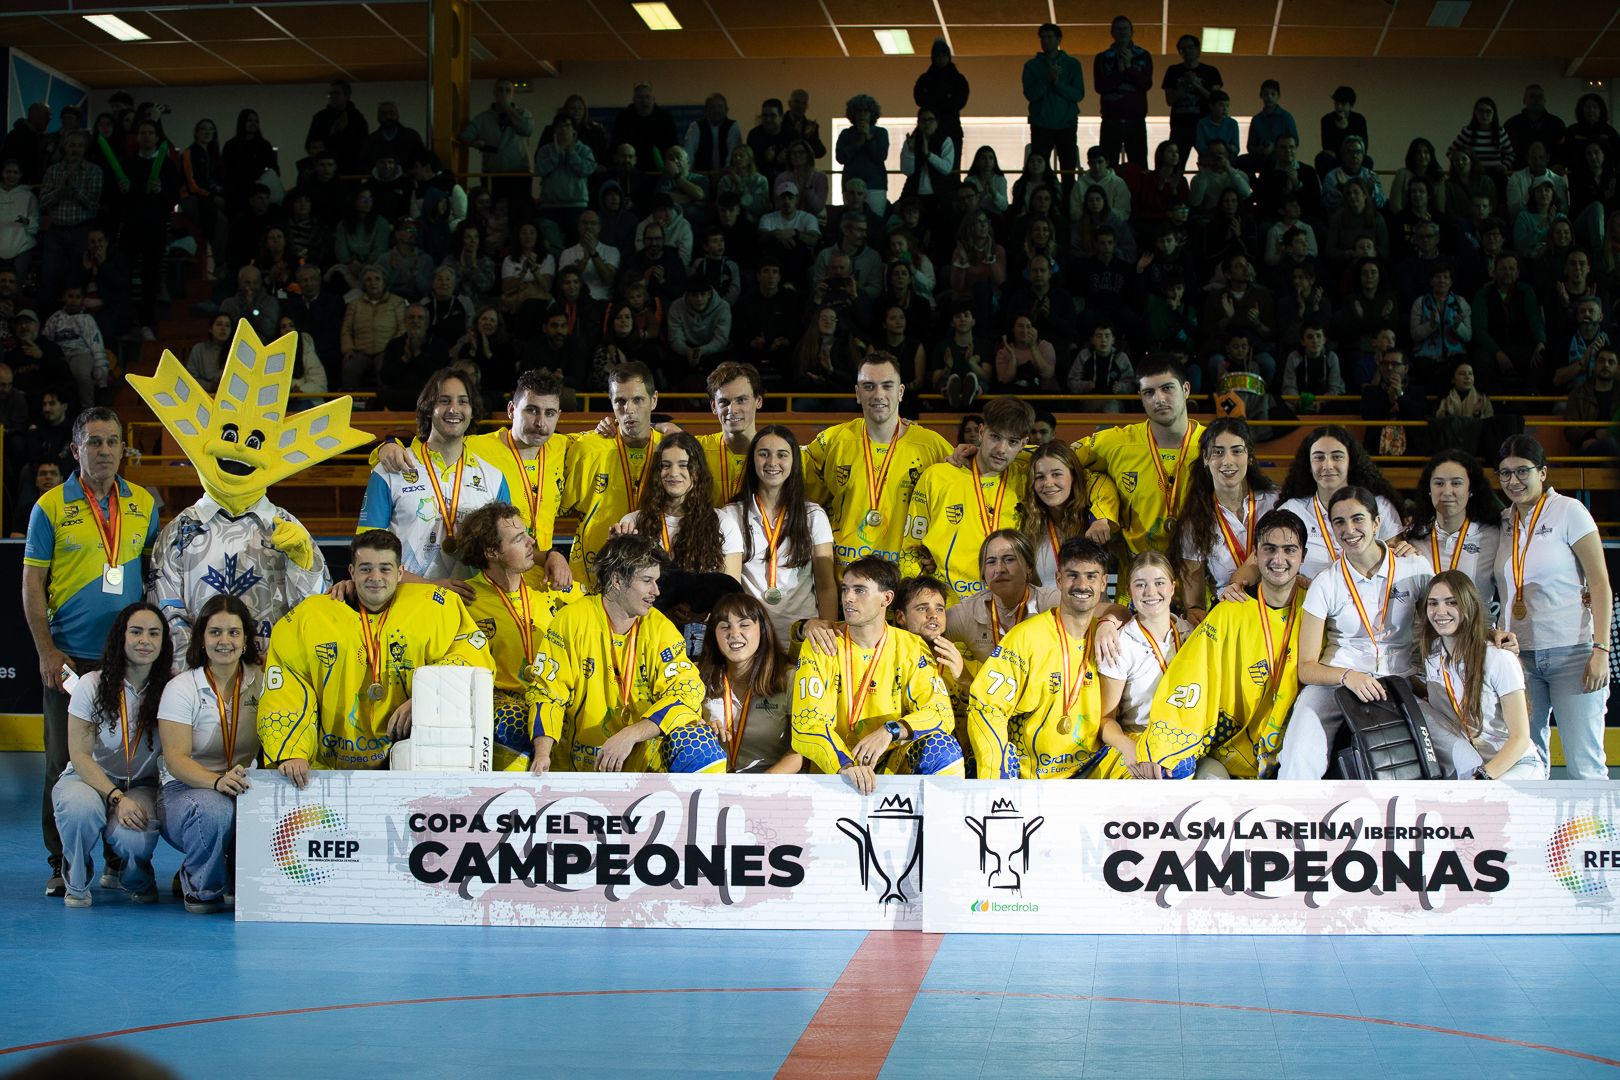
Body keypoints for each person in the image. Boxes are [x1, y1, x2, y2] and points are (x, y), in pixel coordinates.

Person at [24, 409, 157, 899]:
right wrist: (45, 649)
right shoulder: (50, 507)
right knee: (63, 760)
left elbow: (150, 580)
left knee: (123, 760)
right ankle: (60, 863)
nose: (104, 451)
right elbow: (32, 583)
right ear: (75, 449)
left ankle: (118, 860)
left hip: (127, 662)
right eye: (94, 442)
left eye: (112, 442)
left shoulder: (144, 503)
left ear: (124, 449)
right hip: (70, 661)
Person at [258, 529, 493, 783]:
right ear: (351, 571)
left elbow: (471, 657)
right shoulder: (309, 618)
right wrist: (293, 751)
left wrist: (428, 696)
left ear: (401, 572)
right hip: (328, 772)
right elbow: (287, 685)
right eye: (366, 568)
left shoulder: (437, 608)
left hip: (416, 767)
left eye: (385, 569)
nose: (376, 578)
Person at [1126, 509, 1310, 779]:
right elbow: (1192, 676)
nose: (1278, 559)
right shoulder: (1229, 610)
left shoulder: (1317, 607)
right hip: (1230, 749)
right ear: (1256, 555)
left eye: (1289, 550)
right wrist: (1166, 748)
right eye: (1269, 549)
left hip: (1294, 743)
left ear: (1302, 556)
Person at [530, 533, 726, 773]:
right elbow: (547, 692)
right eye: (647, 580)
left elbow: (687, 692)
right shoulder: (571, 619)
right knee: (512, 722)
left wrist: (631, 734)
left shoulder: (660, 627)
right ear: (617, 580)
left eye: (656, 581)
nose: (656, 591)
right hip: (576, 769)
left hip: (643, 772)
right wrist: (541, 754)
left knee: (699, 743)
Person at [1277, 487, 1435, 780]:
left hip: (1398, 681)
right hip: (1336, 683)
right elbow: (1307, 668)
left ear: (1377, 523)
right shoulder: (1326, 582)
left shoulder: (1414, 567)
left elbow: (1446, 622)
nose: (1348, 530)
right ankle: (1293, 821)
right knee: (1299, 755)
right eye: (1339, 522)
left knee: (1458, 751)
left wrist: (1489, 637)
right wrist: (1348, 675)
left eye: (1357, 519)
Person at [1492, 435, 1612, 779]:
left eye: (1522, 471)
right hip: (1519, 657)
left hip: (1573, 654)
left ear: (1542, 472)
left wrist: (1600, 649)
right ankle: (1537, 834)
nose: (1513, 481)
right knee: (1529, 761)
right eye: (1505, 473)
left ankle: (1593, 836)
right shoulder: (1504, 521)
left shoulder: (1570, 512)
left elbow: (1600, 583)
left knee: (1584, 763)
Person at [790, 555, 961, 793]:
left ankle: (939, 828)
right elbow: (806, 724)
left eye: (860, 590)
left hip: (892, 767)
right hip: (837, 772)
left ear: (886, 598)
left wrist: (890, 731)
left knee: (944, 748)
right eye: (845, 589)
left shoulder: (912, 646)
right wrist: (846, 765)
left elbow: (941, 713)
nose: (848, 598)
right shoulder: (822, 643)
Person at [965, 537, 1121, 779]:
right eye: (1072, 575)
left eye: (1091, 576)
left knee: (1149, 762)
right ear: (1058, 580)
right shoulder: (1025, 638)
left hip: (1091, 769)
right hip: (1031, 776)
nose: (1082, 584)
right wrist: (995, 769)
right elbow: (986, 706)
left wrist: (1111, 621)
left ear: (1103, 583)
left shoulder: (1110, 640)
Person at [52, 602, 172, 907]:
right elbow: (79, 755)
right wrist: (117, 797)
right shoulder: (91, 685)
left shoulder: (173, 687)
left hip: (142, 784)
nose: (145, 640)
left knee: (135, 834)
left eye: (153, 633)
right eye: (136, 632)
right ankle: (76, 875)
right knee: (80, 810)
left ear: (163, 642)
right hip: (88, 778)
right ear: (121, 637)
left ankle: (133, 873)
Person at [450, 502, 579, 773]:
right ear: (492, 552)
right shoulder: (465, 600)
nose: (532, 541)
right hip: (505, 710)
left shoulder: (550, 585)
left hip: (556, 702)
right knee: (517, 720)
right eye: (519, 538)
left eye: (527, 533)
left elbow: (606, 607)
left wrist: (555, 555)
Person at [155, 595, 261, 913]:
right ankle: (203, 887)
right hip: (187, 790)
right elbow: (175, 759)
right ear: (202, 639)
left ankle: (239, 878)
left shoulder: (266, 680)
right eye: (215, 632)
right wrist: (217, 783)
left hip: (244, 785)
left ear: (246, 641)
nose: (224, 641)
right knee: (215, 810)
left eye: (233, 632)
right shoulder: (182, 687)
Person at [357, 367, 509, 587]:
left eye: (463, 401)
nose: (454, 409)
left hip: (470, 605)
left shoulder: (494, 479)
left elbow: (506, 550)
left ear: (473, 410)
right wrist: (432, 588)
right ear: (429, 408)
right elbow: (367, 552)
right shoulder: (390, 470)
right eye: (444, 401)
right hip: (405, 603)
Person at [1414, 571, 1543, 780]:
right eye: (1433, 603)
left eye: (1451, 602)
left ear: (1468, 605)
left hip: (1512, 765)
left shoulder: (1499, 658)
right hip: (1470, 765)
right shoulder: (1432, 655)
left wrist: (1484, 777)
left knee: (1485, 802)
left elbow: (1520, 738)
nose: (1440, 611)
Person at [903, 396, 1033, 602]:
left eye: (1012, 442)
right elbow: (910, 548)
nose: (1001, 449)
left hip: (1007, 609)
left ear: (1024, 444)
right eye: (995, 437)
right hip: (947, 609)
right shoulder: (936, 477)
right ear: (981, 432)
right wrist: (913, 602)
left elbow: (1061, 457)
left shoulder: (1027, 480)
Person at [1071, 356, 1204, 556]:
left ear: (1186, 389)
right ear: (1140, 397)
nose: (1158, 399)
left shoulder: (1214, 445)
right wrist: (1103, 501)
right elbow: (1054, 460)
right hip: (1136, 580)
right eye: (1149, 392)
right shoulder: (1117, 442)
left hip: (1200, 580)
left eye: (1167, 388)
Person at [723, 425, 836, 649]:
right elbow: (731, 587)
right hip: (752, 642)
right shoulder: (731, 515)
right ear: (752, 459)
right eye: (763, 454)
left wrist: (828, 631)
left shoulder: (813, 515)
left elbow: (826, 586)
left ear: (794, 461)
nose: (772, 462)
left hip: (802, 638)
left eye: (782, 455)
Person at [559, 361, 663, 586]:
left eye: (638, 400)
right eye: (620, 401)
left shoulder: (671, 453)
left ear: (653, 400)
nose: (629, 410)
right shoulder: (588, 450)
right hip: (594, 577)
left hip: (656, 579)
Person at [1167, 418, 1280, 618]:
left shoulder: (1276, 503)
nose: (1227, 461)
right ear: (1205, 458)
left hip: (1279, 613)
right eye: (1218, 452)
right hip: (1229, 616)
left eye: (1237, 451)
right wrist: (1196, 616)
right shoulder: (1195, 521)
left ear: (1250, 457)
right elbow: (1195, 605)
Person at [1097, 551, 1197, 777]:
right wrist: (1128, 746)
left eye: (1159, 583)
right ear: (1129, 591)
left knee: (1216, 779)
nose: (1150, 592)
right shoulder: (1120, 643)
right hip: (1139, 739)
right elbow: (1104, 720)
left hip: (1186, 740)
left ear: (1173, 587)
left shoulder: (1192, 636)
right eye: (1140, 585)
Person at [1276, 425, 1408, 578]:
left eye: (1337, 456)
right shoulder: (1292, 511)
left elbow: (1396, 560)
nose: (1327, 466)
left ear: (1351, 462)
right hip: (1313, 598)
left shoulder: (1380, 506)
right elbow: (1269, 556)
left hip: (1372, 599)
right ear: (1309, 466)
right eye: (1319, 457)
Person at [699, 593, 801, 773]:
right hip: (711, 785)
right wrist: (696, 731)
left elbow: (803, 749)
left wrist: (758, 787)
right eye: (724, 626)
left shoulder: (788, 678)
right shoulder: (697, 676)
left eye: (744, 624)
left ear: (762, 629)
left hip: (769, 788)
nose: (734, 634)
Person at [617, 431, 741, 578]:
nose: (674, 473)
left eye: (684, 465)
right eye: (665, 465)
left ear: (698, 471)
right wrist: (617, 548)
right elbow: (623, 588)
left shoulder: (723, 523)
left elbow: (731, 592)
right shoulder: (632, 523)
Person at [1400, 450, 1502, 610]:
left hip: (1476, 633)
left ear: (1471, 489)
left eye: (1456, 483)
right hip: (1425, 633)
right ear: (1429, 489)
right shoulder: (1411, 536)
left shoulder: (1493, 536)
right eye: (1439, 483)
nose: (1447, 492)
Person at [941, 528, 1060, 664]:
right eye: (991, 562)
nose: (1000, 569)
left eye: (1009, 559)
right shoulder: (968, 613)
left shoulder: (1052, 604)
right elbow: (922, 636)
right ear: (983, 573)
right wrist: (963, 676)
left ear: (1029, 567)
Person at [1018, 440, 1117, 586]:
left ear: (1074, 476)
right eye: (1040, 477)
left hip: (1090, 607)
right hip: (1043, 608)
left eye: (1056, 474)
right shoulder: (1029, 524)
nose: (1048, 483)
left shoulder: (1093, 523)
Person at [1022, 23, 1086, 202]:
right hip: (1041, 124)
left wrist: (1057, 83)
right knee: (1039, 171)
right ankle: (1042, 205)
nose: (1045, 41)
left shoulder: (1073, 64)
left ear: (1059, 40)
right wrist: (1047, 80)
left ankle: (1067, 209)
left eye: (1050, 37)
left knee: (1068, 170)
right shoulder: (1031, 66)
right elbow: (1030, 94)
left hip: (1066, 124)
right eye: (1043, 38)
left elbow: (1078, 94)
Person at [459, 80, 535, 217]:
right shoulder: (483, 118)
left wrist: (508, 108)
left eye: (508, 90)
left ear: (513, 94)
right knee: (493, 212)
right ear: (494, 93)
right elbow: (465, 136)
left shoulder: (523, 114)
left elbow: (526, 130)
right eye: (500, 90)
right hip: (493, 175)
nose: (504, 93)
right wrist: (475, 142)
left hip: (518, 174)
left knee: (520, 213)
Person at [1093, 16, 1152, 167]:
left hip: (1136, 121)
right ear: (1112, 32)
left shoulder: (1144, 55)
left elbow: (1146, 84)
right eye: (1118, 28)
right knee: (1108, 165)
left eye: (1125, 28)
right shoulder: (1102, 58)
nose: (1122, 32)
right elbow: (1100, 87)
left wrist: (1129, 67)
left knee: (1139, 166)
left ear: (1132, 31)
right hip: (1111, 121)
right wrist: (1119, 71)